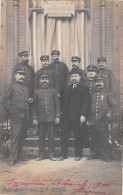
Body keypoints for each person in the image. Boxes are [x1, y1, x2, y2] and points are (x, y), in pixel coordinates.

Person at [0, 67, 29, 165]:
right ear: (15, 76)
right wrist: (10, 110)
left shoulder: (26, 88)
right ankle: (12, 158)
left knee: (22, 136)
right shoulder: (11, 86)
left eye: (23, 75)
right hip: (15, 115)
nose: (22, 76)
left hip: (25, 116)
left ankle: (19, 155)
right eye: (19, 74)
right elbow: (2, 99)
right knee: (15, 136)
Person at [59, 68, 90, 161]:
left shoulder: (84, 88)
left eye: (75, 76)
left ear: (80, 77)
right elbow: (64, 102)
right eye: (72, 76)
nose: (73, 78)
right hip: (67, 117)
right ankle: (63, 155)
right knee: (64, 136)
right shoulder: (67, 88)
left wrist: (83, 115)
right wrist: (62, 114)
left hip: (78, 116)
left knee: (78, 135)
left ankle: (77, 154)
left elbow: (86, 102)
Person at [88, 75, 116, 162]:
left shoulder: (107, 94)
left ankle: (106, 155)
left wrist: (109, 113)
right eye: (97, 82)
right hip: (93, 119)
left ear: (103, 83)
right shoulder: (92, 94)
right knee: (93, 138)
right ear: (95, 83)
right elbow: (89, 107)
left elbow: (113, 106)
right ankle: (94, 154)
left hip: (103, 121)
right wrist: (89, 119)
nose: (98, 83)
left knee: (104, 138)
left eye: (100, 82)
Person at [33, 73, 60, 161]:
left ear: (49, 81)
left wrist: (57, 116)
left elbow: (57, 104)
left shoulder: (54, 91)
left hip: (51, 118)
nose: (44, 80)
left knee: (51, 136)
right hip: (41, 119)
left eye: (46, 79)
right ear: (39, 81)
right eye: (42, 79)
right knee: (41, 137)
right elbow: (34, 106)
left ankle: (51, 153)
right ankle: (41, 154)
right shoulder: (36, 92)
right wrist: (34, 117)